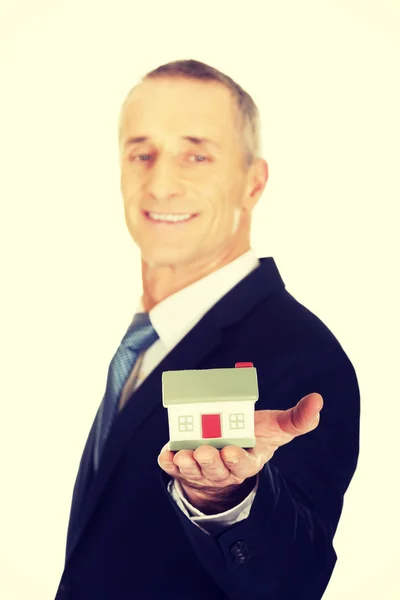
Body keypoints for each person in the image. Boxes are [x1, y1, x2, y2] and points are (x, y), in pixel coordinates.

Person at [55, 59, 360, 600]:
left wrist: (225, 497)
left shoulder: (303, 356)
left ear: (253, 182)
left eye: (196, 154)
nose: (161, 183)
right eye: (141, 154)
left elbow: (295, 581)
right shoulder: (147, 339)